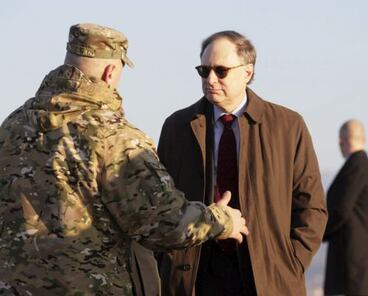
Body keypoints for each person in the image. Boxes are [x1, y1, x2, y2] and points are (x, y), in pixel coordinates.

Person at [0, 23, 248, 296]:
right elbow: (163, 223)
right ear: (110, 72)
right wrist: (223, 220)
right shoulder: (115, 138)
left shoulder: (11, 126)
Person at [156, 30, 327, 296]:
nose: (210, 79)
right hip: (197, 271)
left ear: (247, 72)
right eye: (204, 70)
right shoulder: (177, 127)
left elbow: (312, 206)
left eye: (221, 71)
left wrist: (291, 263)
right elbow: (159, 204)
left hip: (267, 274)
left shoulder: (288, 126)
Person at [323, 119, 368, 295]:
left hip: (352, 269)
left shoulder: (354, 168)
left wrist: (318, 231)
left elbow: (340, 209)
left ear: (341, 141)